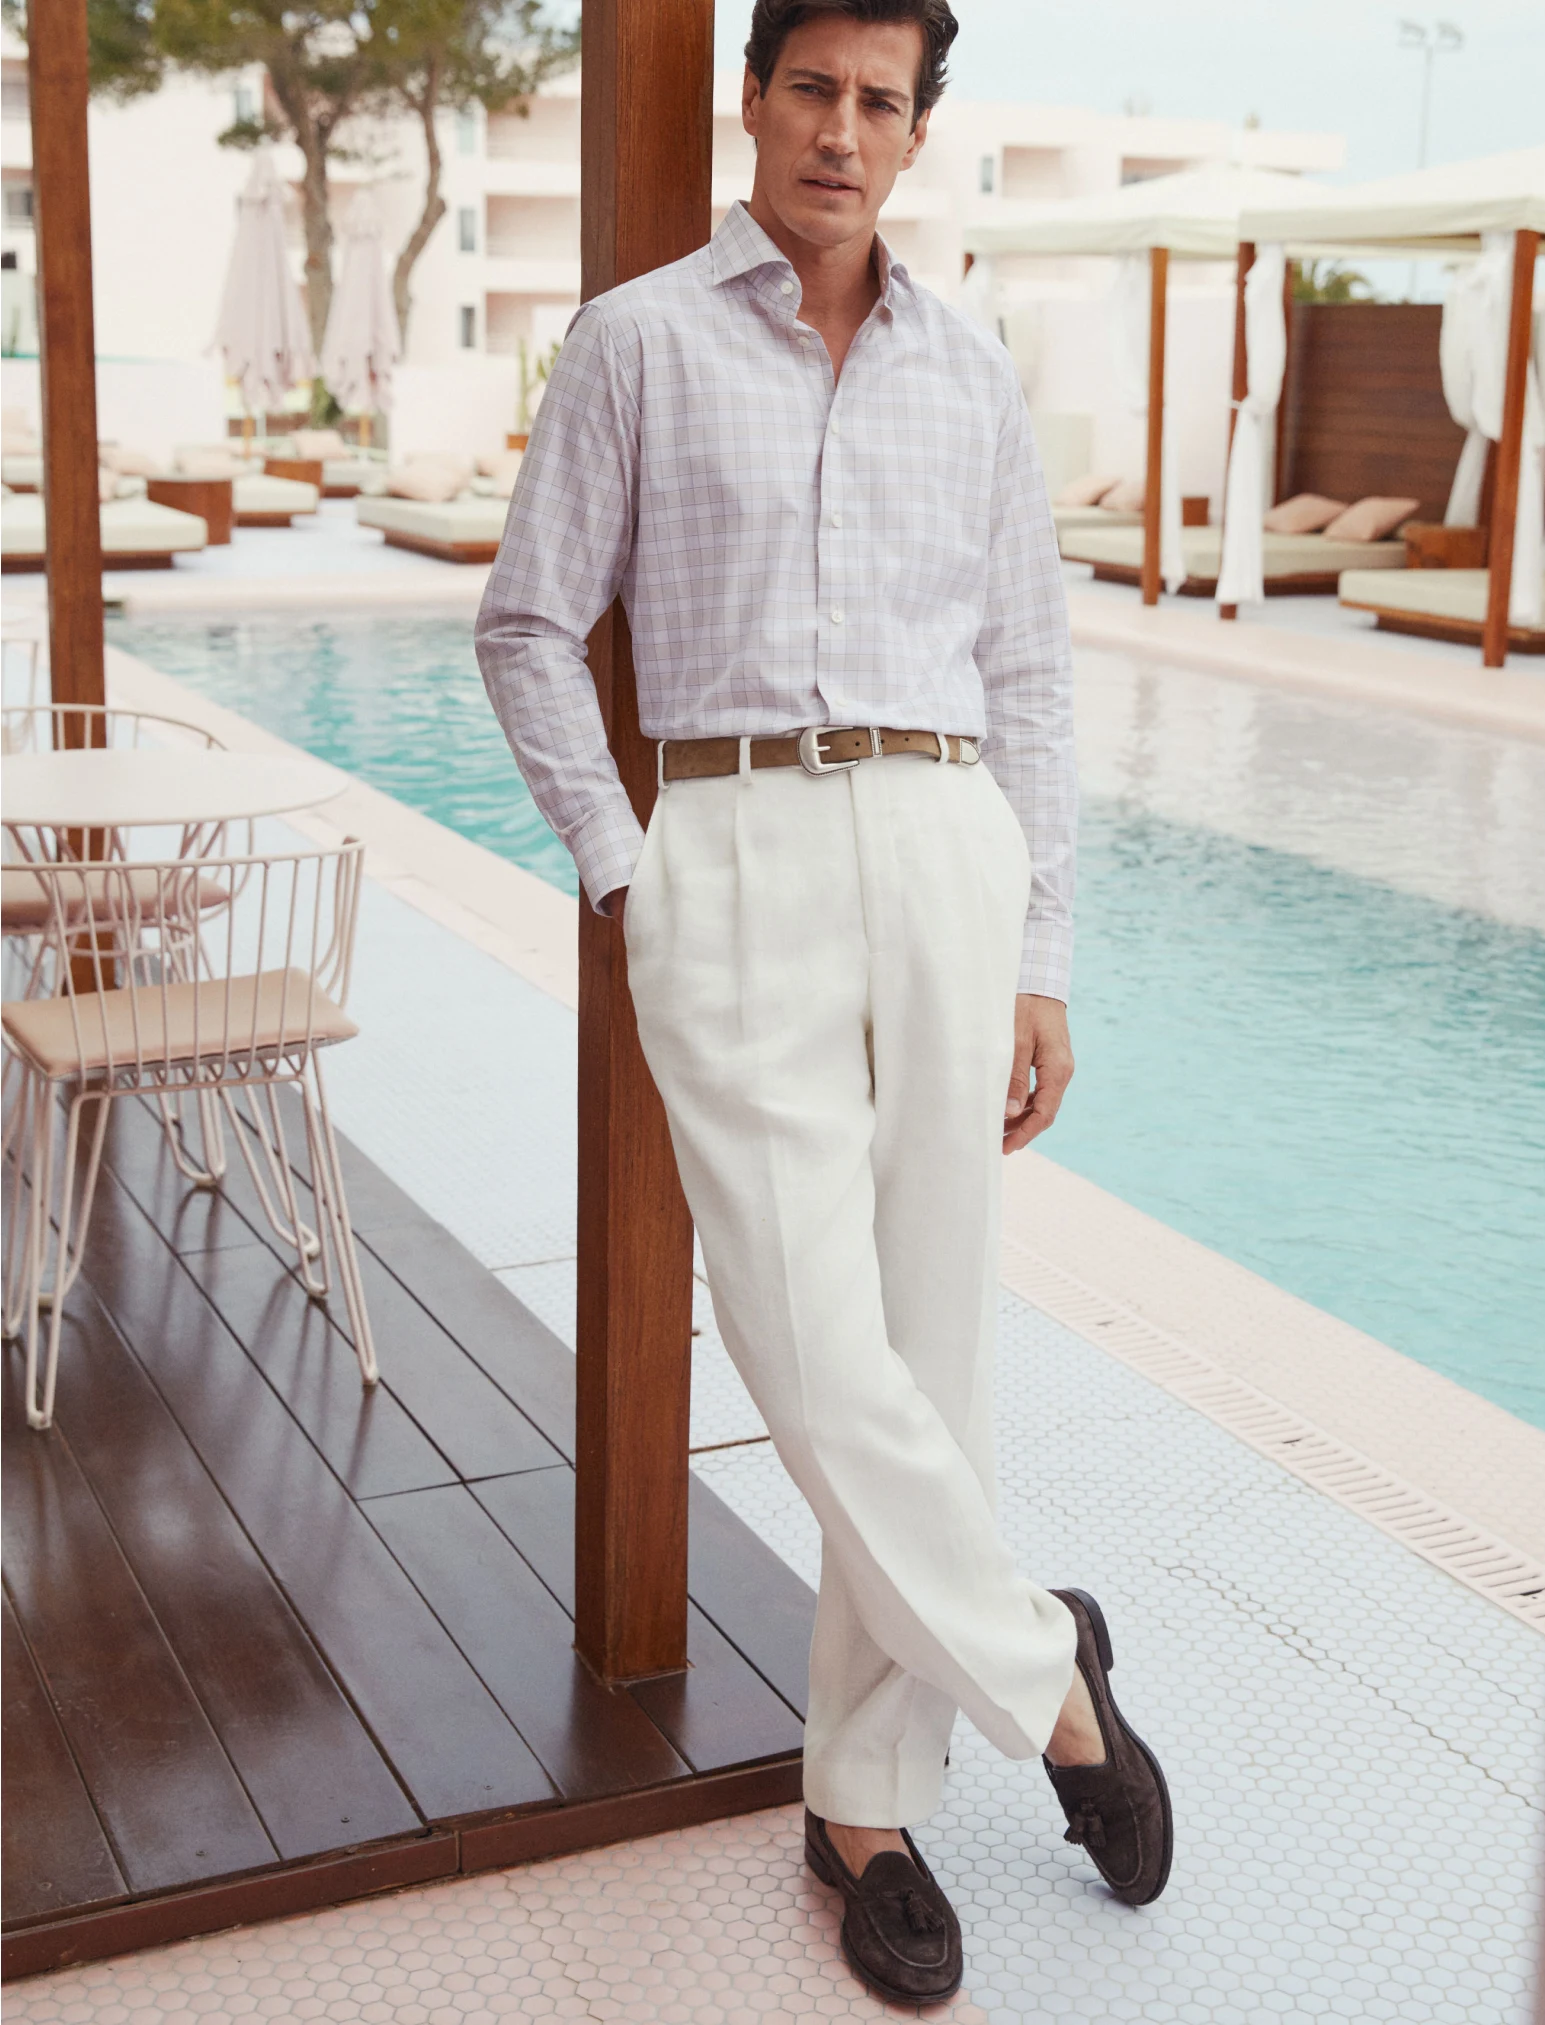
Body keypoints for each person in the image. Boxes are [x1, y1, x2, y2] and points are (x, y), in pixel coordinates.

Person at [476, 0, 1171, 2002]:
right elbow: (531, 623)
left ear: (917, 131)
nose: (840, 132)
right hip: (734, 852)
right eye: (810, 89)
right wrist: (631, 870)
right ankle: (1050, 1673)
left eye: (880, 100)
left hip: (947, 848)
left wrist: (1042, 948)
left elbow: (1032, 675)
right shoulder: (636, 340)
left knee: (926, 1340)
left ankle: (861, 1802)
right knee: (804, 1335)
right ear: (754, 101)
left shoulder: (974, 373)